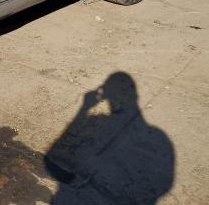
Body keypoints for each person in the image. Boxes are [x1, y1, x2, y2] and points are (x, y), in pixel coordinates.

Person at [45, 72, 175, 204]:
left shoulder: (98, 122)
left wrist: (84, 108)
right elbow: (165, 184)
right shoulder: (159, 138)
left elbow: (52, 160)